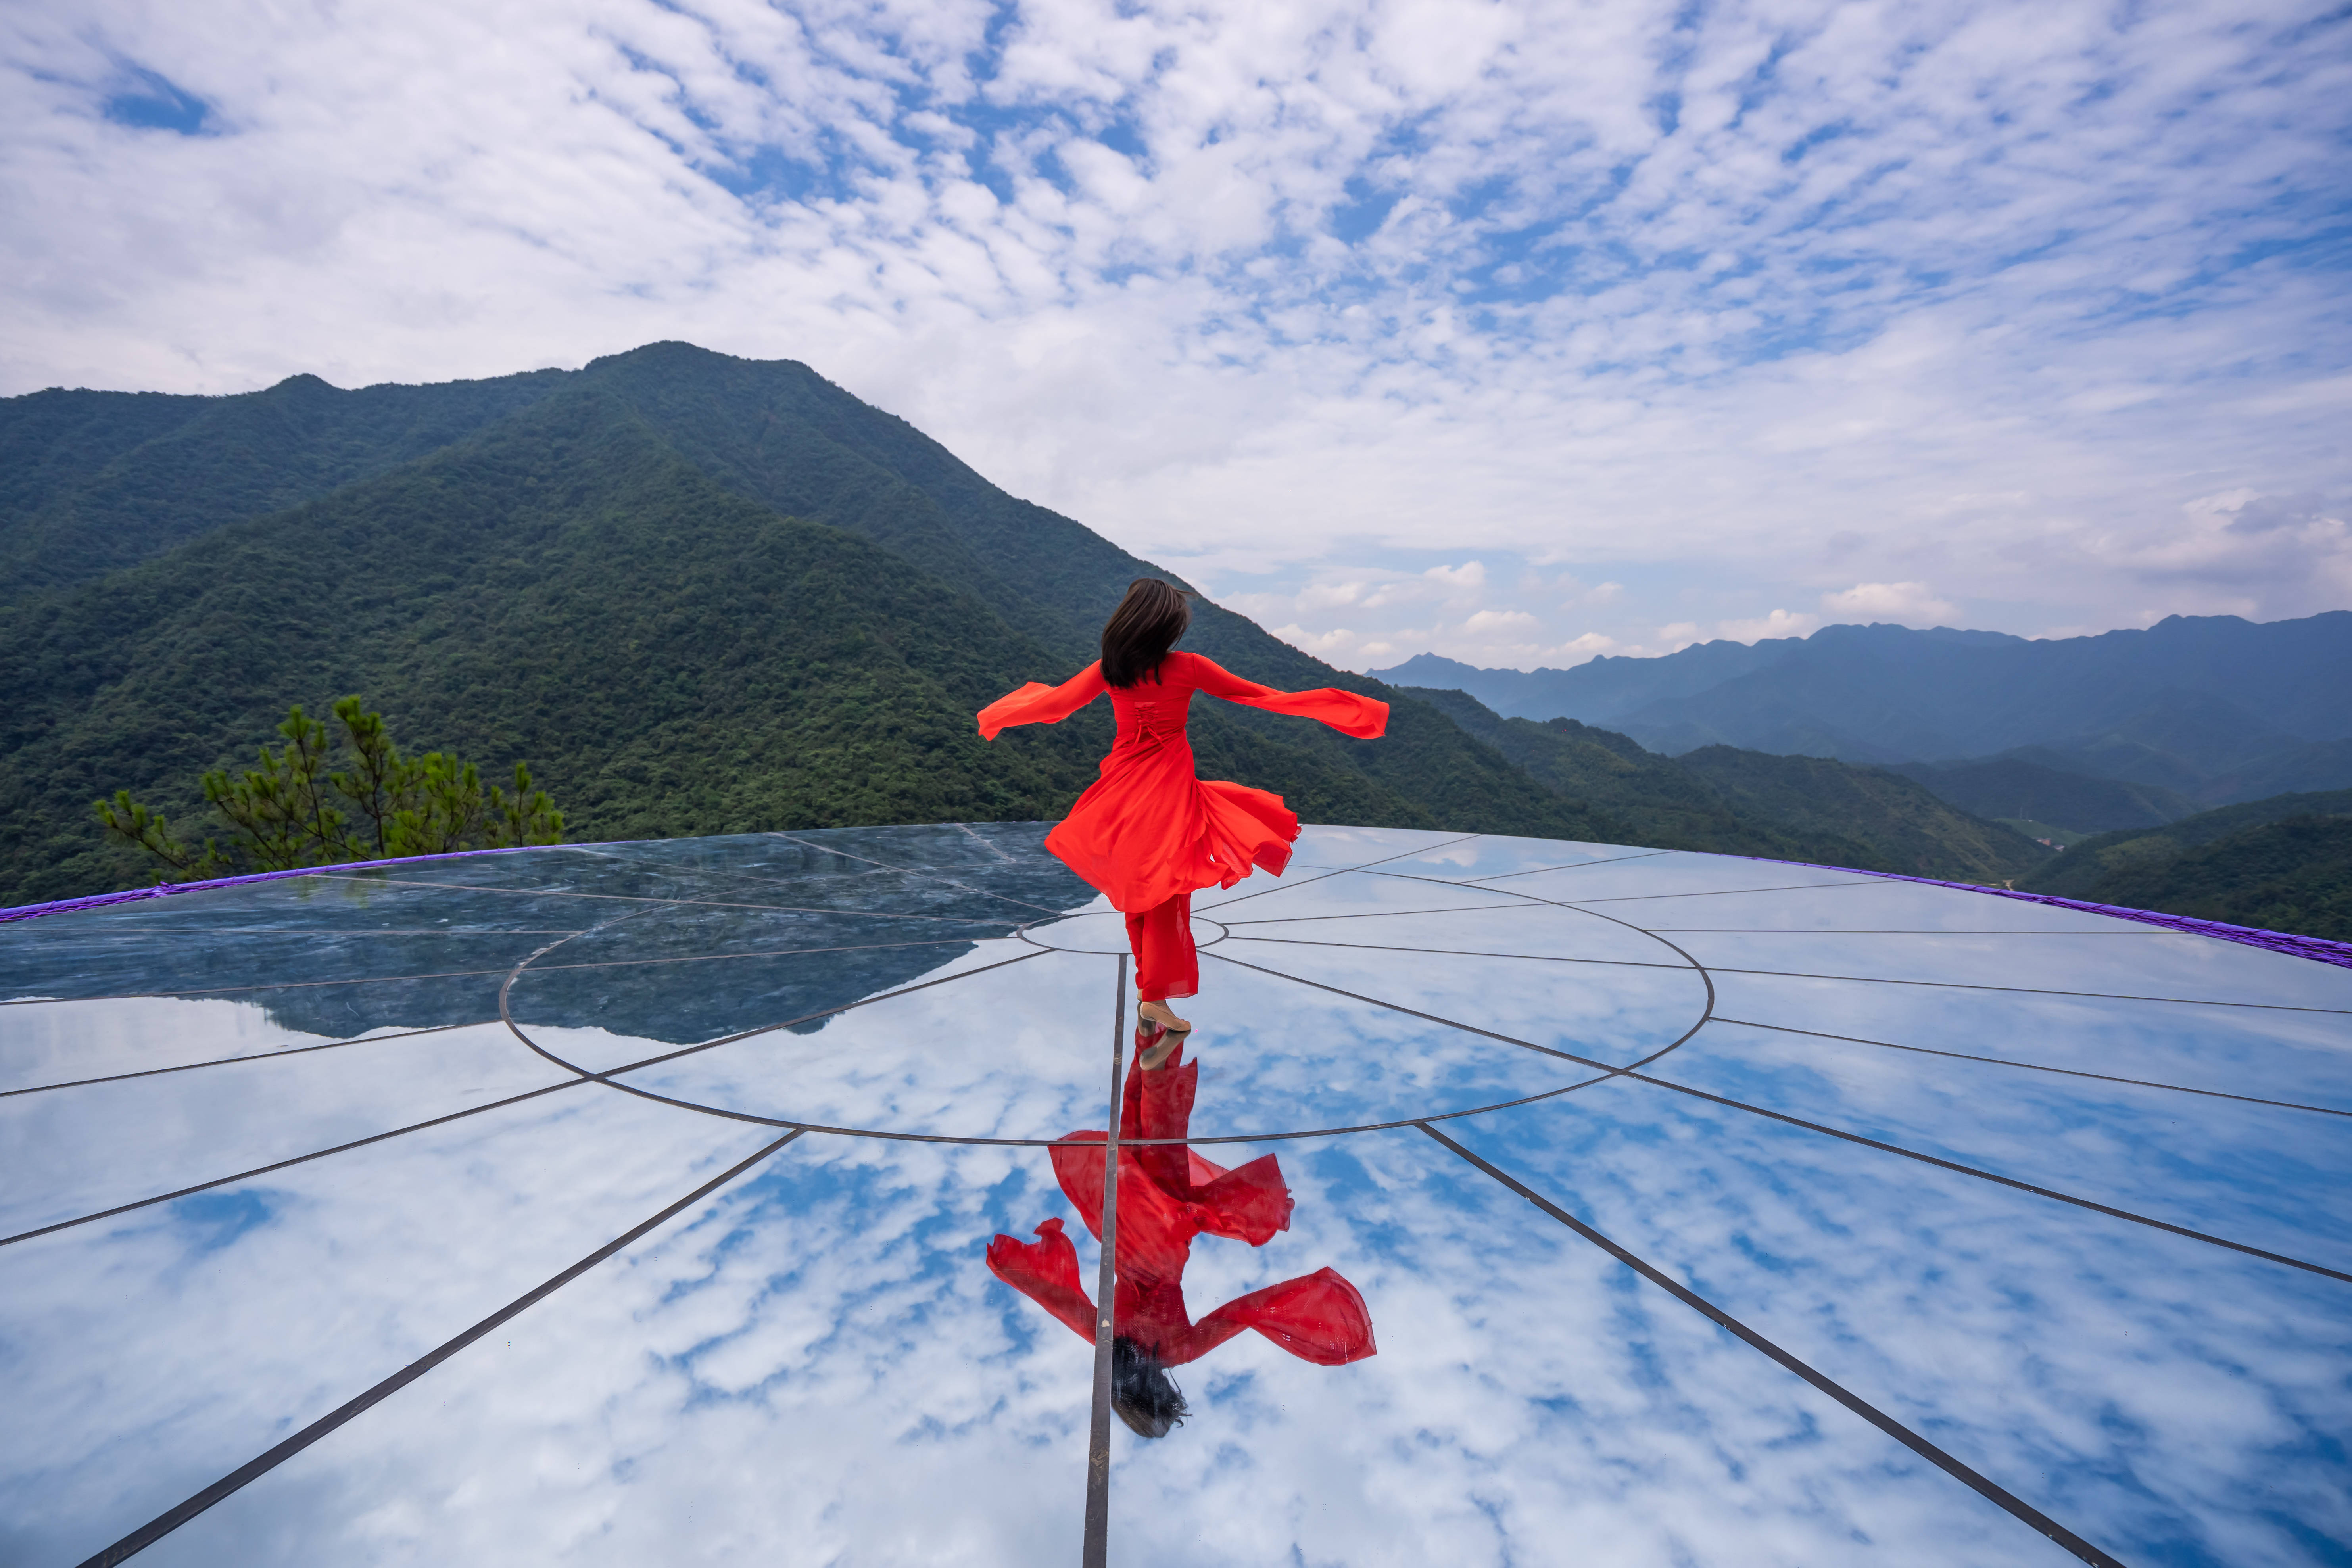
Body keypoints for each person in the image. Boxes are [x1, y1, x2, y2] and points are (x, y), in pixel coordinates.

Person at [977, 578, 1388, 1066]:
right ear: (1167, 626)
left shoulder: (1111, 670)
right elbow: (1261, 696)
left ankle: (1151, 993)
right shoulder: (1188, 667)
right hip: (1169, 792)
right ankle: (1154, 995)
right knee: (1168, 893)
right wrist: (1345, 708)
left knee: (1137, 890)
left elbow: (1055, 706)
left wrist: (1000, 713)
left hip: (1123, 789)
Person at [986, 1038, 1377, 1437]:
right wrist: (1010, 1267)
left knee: (1165, 1141)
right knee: (1133, 1140)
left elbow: (1240, 1313)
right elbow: (1062, 1302)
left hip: (1167, 1242)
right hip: (1121, 1232)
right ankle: (1149, 1043)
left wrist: (1306, 1297)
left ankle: (1159, 1058)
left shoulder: (1181, 1351)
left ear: (1161, 1392)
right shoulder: (1106, 1341)